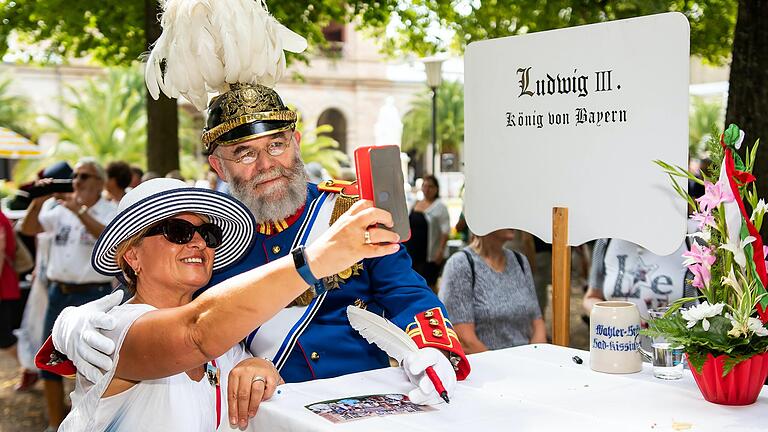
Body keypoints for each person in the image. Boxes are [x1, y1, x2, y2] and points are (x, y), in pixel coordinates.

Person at [48, 0, 468, 407]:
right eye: (245, 153)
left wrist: (436, 350)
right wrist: (79, 321)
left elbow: (406, 291)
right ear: (218, 165)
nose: (267, 164)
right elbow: (167, 311)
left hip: (367, 401)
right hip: (265, 412)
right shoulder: (210, 238)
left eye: (277, 145)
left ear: (296, 143)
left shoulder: (348, 213)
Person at [40, 177, 401, 431]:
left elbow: (218, 343)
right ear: (132, 255)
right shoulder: (109, 330)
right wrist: (316, 260)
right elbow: (195, 333)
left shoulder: (227, 350)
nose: (198, 242)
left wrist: (258, 367)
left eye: (207, 234)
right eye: (177, 232)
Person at [20, 157, 118, 430]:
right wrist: (39, 199)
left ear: (100, 181)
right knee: (48, 360)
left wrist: (80, 212)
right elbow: (28, 229)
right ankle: (54, 423)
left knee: (93, 363)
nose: (77, 181)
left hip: (94, 294)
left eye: (84, 176)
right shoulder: (60, 209)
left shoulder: (110, 210)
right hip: (58, 292)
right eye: (75, 176)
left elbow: (109, 237)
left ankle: (92, 422)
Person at [439, 229, 546, 354]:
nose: (510, 221)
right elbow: (465, 340)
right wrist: (505, 369)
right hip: (485, 367)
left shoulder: (520, 261)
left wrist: (534, 359)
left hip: (525, 363)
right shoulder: (460, 264)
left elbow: (537, 322)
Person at [582, 238, 695, 321]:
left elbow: (701, 305)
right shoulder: (606, 240)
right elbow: (591, 297)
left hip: (671, 349)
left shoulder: (690, 239)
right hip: (618, 345)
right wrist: (613, 318)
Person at [404, 175, 450, 290]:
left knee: (428, 285)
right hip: (413, 252)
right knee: (413, 284)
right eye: (424, 186)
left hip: (429, 254)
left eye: (430, 186)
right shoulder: (416, 203)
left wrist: (440, 251)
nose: (427, 189)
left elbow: (445, 231)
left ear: (436, 189)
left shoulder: (440, 207)